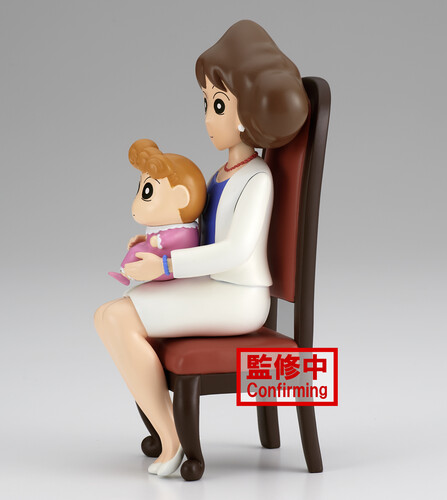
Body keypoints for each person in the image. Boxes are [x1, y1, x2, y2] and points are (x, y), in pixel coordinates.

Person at [94, 20, 309, 477]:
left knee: (116, 318)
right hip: (215, 288)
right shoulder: (221, 175)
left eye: (218, 105)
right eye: (207, 104)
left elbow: (233, 251)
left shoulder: (257, 179)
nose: (208, 118)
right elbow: (200, 231)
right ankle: (166, 431)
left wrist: (167, 264)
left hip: (239, 299)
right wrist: (153, 242)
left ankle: (171, 442)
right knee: (112, 314)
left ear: (249, 115)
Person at [108, 139, 206, 286]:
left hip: (168, 267)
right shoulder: (165, 226)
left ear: (181, 198)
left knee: (139, 252)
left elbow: (182, 240)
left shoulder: (187, 231)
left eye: (147, 192)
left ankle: (130, 273)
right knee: (136, 250)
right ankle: (125, 274)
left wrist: (159, 241)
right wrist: (144, 239)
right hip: (155, 255)